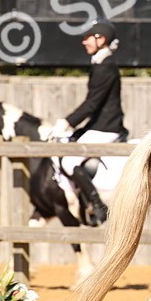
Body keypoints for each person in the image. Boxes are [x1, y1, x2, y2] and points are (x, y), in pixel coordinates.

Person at [52, 20, 126, 226]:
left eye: (87, 38)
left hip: (107, 127)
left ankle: (99, 206)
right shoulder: (100, 64)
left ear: (100, 39)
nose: (84, 42)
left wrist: (67, 122)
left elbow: (92, 103)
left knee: (68, 161)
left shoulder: (106, 67)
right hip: (97, 125)